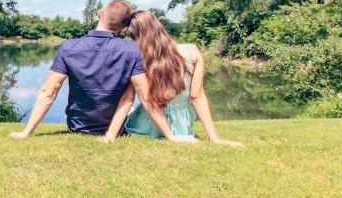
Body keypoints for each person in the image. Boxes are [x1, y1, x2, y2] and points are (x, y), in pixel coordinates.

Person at [10, 0, 185, 140]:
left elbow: (48, 92)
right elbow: (144, 98)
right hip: (115, 127)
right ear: (124, 28)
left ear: (100, 14)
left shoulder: (68, 47)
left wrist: (27, 132)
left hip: (77, 126)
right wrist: (170, 136)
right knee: (129, 105)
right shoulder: (131, 51)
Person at [98, 10, 241, 146]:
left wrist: (111, 134)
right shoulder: (192, 51)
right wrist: (214, 138)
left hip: (144, 127)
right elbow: (197, 97)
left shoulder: (138, 59)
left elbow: (128, 98)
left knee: (130, 107)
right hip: (181, 128)